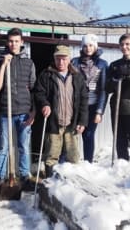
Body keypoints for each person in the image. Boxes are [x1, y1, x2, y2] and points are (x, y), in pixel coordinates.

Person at [34, 45, 89, 177]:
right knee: (51, 156)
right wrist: (44, 104)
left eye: (64, 59)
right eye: (58, 59)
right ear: (54, 58)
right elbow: (38, 93)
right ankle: (50, 184)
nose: (61, 62)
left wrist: (82, 121)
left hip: (72, 124)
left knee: (73, 157)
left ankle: (73, 185)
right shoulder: (46, 75)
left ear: (69, 59)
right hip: (54, 123)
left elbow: (83, 99)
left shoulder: (77, 76)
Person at [0, 27, 36, 187]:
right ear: (7, 42)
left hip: (24, 111)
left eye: (16, 41)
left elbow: (33, 88)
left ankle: (24, 176)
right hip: (5, 111)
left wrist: (33, 111)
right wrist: (4, 64)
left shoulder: (28, 62)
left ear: (22, 42)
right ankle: (0, 178)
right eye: (11, 41)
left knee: (24, 146)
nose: (13, 44)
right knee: (3, 147)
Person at [71, 34, 108, 163]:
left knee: (89, 134)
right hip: (78, 105)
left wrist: (99, 111)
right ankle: (72, 162)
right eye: (85, 46)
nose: (88, 48)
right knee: (74, 134)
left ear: (95, 46)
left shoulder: (102, 64)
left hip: (93, 105)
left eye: (91, 45)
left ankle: (88, 162)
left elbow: (104, 89)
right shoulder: (74, 62)